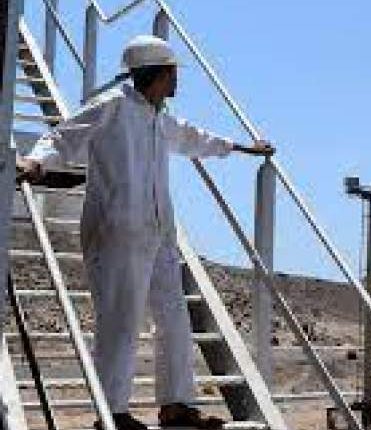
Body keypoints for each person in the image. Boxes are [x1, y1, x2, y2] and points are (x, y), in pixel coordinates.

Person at [16, 35, 272, 430]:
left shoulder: (157, 117)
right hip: (117, 231)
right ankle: (112, 412)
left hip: (158, 234)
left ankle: (177, 405)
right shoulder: (112, 106)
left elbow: (193, 137)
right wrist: (36, 161)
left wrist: (240, 148)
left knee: (174, 317)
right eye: (172, 73)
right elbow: (62, 136)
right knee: (121, 321)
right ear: (157, 73)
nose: (176, 81)